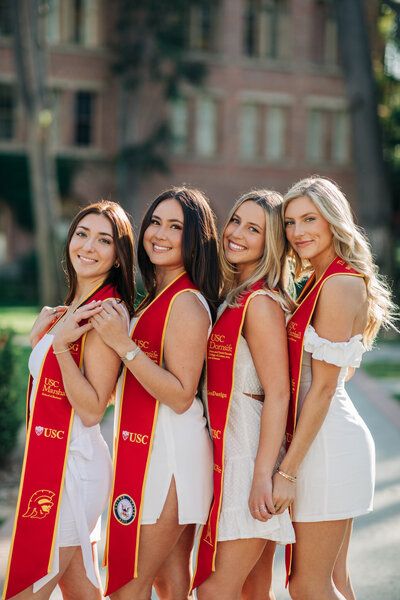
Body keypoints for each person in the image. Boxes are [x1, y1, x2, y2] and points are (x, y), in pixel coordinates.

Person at [91, 187, 219, 600]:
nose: (159, 234)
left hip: (169, 456)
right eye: (155, 222)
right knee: (168, 581)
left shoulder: (186, 303)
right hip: (148, 448)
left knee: (129, 584)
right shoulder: (154, 300)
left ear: (194, 237)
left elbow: (182, 395)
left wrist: (122, 345)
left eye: (176, 226)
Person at [3, 201, 135, 600]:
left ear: (118, 256)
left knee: (27, 586)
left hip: (71, 468)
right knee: (79, 588)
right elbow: (53, 387)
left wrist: (57, 348)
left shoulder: (104, 314)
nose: (88, 246)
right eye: (82, 234)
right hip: (54, 460)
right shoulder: (74, 308)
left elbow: (94, 408)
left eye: (103, 239)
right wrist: (39, 343)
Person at [274, 177, 396, 600]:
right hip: (322, 439)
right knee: (336, 583)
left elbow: (325, 387)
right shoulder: (318, 280)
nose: (298, 231)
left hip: (326, 446)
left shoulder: (340, 283)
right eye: (290, 222)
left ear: (333, 220)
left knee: (308, 586)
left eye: (310, 218)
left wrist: (286, 471)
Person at [193, 190, 295, 600]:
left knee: (215, 591)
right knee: (254, 591)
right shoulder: (233, 297)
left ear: (270, 243)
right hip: (231, 446)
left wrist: (261, 477)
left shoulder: (261, 304)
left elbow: (279, 394)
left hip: (250, 454)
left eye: (254, 229)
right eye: (235, 220)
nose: (236, 233)